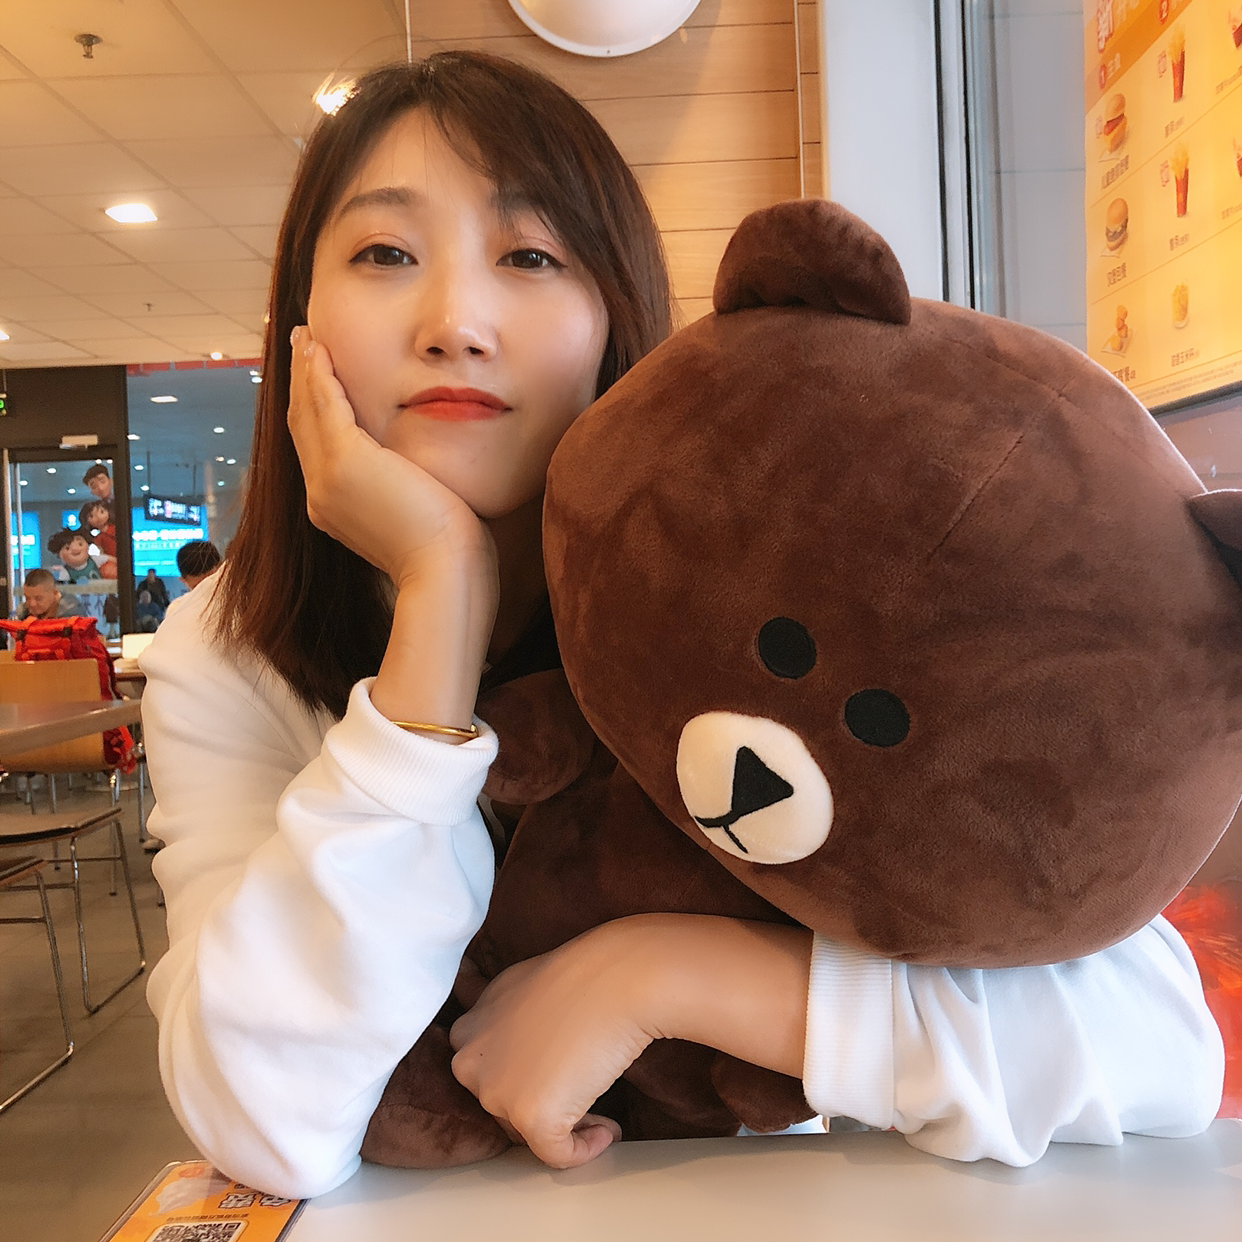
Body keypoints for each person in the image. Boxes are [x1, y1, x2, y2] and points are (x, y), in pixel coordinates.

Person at [138, 53, 1222, 1201]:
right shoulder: (224, 650)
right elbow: (263, 1121)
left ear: (618, 312)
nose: (455, 322)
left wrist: (674, 978)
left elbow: (1159, 1045)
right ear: (298, 322)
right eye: (386, 254)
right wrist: (438, 599)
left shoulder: (769, 560)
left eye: (530, 257)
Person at [17, 567, 88, 619]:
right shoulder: (25, 610)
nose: (32, 604)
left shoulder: (71, 612)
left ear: (54, 593)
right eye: (27, 598)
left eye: (38, 598)